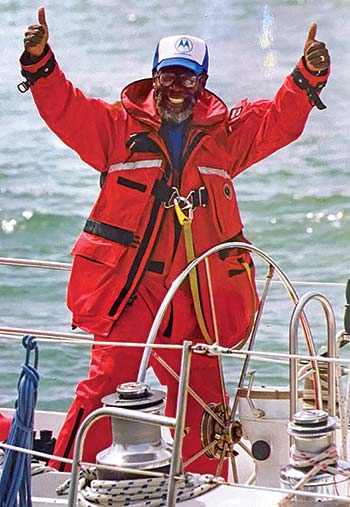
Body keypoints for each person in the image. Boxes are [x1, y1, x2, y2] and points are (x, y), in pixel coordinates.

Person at [19, 7, 330, 476]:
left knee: (206, 407)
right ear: (154, 79)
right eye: (168, 78)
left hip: (197, 296)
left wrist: (307, 76)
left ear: (203, 84)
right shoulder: (116, 129)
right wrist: (40, 62)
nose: (177, 90)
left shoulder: (225, 137)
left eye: (188, 80)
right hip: (133, 291)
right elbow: (66, 108)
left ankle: (206, 490)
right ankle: (67, 478)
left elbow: (277, 122)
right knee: (106, 385)